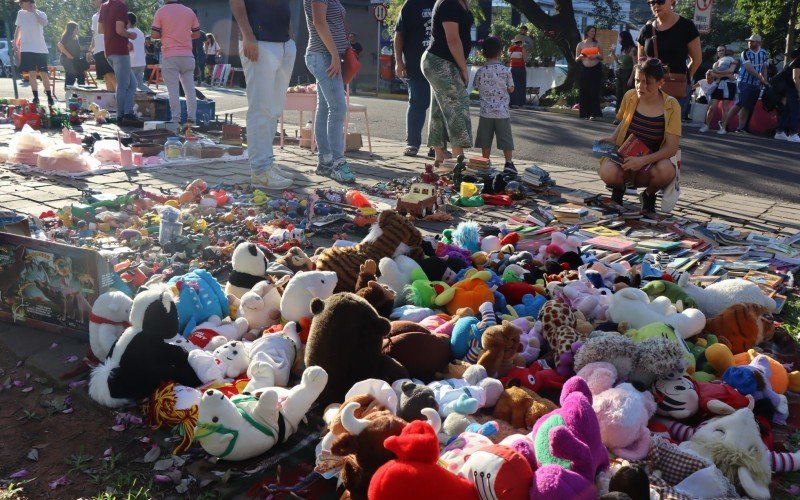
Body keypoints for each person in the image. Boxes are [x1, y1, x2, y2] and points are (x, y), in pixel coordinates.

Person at [598, 59, 681, 216]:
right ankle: (618, 191)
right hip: (625, 160)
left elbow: (672, 147)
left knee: (666, 170)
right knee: (607, 171)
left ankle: (649, 195)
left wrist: (642, 160)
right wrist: (612, 138)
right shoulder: (630, 96)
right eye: (637, 80)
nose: (640, 86)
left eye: (647, 82)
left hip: (651, 164)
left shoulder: (671, 105)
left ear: (660, 83)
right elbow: (625, 120)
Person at [230, 0, 297, 190]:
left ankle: (267, 164)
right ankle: (260, 171)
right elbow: (236, 3)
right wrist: (248, 35)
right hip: (259, 41)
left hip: (283, 42)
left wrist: (289, 34)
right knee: (260, 109)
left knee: (274, 109)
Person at [303, 0, 357, 183]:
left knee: (325, 108)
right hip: (323, 55)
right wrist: (334, 54)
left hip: (327, 55)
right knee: (338, 108)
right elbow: (319, 22)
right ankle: (337, 161)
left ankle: (325, 162)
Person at [422, 0, 474, 164]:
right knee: (457, 107)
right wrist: (463, 68)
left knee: (438, 109)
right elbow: (452, 39)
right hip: (440, 62)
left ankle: (440, 156)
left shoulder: (462, 3)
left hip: (444, 62)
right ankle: (459, 159)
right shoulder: (449, 3)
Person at [637, 0, 701, 121]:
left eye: (660, 1)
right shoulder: (647, 29)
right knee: (648, 126)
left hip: (676, 89)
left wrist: (685, 80)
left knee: (669, 129)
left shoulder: (686, 26)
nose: (655, 5)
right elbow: (641, 61)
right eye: (651, 2)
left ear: (672, 1)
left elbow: (697, 59)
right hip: (651, 87)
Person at [151, 0, 201, 132]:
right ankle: (192, 119)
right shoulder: (189, 11)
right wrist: (184, 35)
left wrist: (168, 34)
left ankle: (176, 119)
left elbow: (154, 34)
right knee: (190, 89)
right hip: (187, 55)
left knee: (173, 90)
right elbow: (196, 34)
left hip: (170, 55)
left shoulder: (161, 11)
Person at [394, 0, 435, 157]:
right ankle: (412, 143)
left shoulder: (445, 2)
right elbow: (399, 34)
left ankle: (436, 146)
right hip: (415, 63)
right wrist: (399, 61)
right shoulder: (411, 4)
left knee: (439, 108)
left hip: (440, 64)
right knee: (417, 102)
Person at [474, 36, 516, 176]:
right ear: (500, 52)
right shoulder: (506, 70)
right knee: (505, 138)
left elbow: (476, 87)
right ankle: (508, 163)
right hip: (502, 112)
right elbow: (511, 89)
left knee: (485, 139)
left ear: (484, 53)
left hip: (486, 112)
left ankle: (485, 162)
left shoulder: (480, 71)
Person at [99, 0, 141, 126]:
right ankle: (121, 116)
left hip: (109, 51)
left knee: (133, 84)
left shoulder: (104, 6)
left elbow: (100, 29)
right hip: (120, 51)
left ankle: (127, 113)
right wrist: (130, 35)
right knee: (123, 85)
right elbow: (119, 30)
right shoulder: (121, 5)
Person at [718, 34, 769, 135]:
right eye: (749, 41)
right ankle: (724, 121)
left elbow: (764, 68)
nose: (749, 43)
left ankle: (741, 127)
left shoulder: (764, 53)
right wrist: (762, 79)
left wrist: (765, 81)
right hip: (744, 81)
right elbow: (749, 68)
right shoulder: (745, 53)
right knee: (740, 103)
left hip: (756, 84)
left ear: (758, 43)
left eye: (752, 41)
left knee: (748, 106)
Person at [14, 0, 52, 105]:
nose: (20, 4)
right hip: (26, 48)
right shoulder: (20, 13)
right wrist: (15, 44)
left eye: (22, 2)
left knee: (44, 73)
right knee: (31, 74)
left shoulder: (41, 14)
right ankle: (36, 97)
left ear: (29, 2)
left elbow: (44, 23)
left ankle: (49, 97)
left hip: (40, 49)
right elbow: (18, 29)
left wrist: (34, 11)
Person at [698, 45, 737, 133]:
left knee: (725, 108)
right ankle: (706, 125)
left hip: (729, 85)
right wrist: (726, 75)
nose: (721, 52)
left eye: (722, 50)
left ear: (726, 51)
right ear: (717, 53)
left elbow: (731, 71)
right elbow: (714, 74)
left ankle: (723, 128)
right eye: (719, 51)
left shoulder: (732, 60)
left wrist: (720, 74)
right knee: (712, 107)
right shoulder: (716, 63)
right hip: (718, 85)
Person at [576, 25, 603, 120]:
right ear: (587, 32)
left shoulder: (597, 43)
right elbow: (576, 58)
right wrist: (580, 57)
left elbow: (602, 57)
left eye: (594, 31)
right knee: (584, 91)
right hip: (585, 69)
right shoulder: (580, 44)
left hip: (596, 69)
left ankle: (594, 113)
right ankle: (584, 113)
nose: (593, 33)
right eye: (592, 31)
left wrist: (595, 56)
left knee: (594, 91)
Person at [89, 0, 116, 92]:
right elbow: (95, 35)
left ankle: (123, 101)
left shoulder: (109, 12)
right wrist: (90, 50)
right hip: (97, 50)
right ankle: (113, 102)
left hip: (107, 49)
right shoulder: (94, 17)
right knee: (106, 76)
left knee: (111, 74)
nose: (91, 1)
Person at [775, 48, 800, 143]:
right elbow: (796, 78)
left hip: (789, 90)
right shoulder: (798, 62)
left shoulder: (791, 62)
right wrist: (799, 91)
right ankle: (793, 134)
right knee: (796, 111)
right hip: (794, 89)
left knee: (788, 110)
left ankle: (780, 132)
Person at [612, 30, 636, 115]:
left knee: (627, 96)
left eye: (620, 38)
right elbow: (619, 63)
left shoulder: (633, 49)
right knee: (619, 95)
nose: (619, 40)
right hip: (620, 75)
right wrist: (613, 54)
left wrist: (631, 78)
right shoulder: (623, 49)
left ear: (625, 38)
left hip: (628, 75)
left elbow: (635, 65)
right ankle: (618, 115)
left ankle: (627, 115)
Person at [57, 21, 86, 90]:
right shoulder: (67, 37)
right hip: (67, 59)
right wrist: (68, 55)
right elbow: (59, 45)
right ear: (72, 29)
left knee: (81, 75)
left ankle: (82, 93)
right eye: (76, 28)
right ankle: (68, 93)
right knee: (71, 75)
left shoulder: (76, 38)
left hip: (75, 59)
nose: (78, 30)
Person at [127, 13, 150, 93]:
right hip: (141, 62)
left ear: (128, 21)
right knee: (139, 84)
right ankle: (153, 95)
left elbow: (129, 47)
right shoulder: (139, 31)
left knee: (130, 85)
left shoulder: (128, 32)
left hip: (133, 62)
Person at [507, 35, 527, 108]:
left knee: (512, 85)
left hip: (512, 68)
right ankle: (520, 103)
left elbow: (509, 59)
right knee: (521, 85)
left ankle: (511, 102)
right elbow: (525, 60)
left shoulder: (509, 49)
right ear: (521, 42)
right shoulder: (522, 49)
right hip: (521, 68)